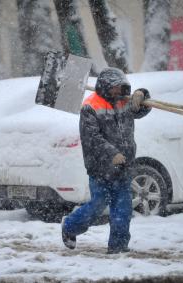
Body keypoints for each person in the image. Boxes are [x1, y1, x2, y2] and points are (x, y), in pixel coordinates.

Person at [61, 67, 152, 254]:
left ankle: (118, 249)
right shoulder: (90, 106)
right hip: (100, 169)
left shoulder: (124, 102)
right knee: (97, 206)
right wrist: (113, 154)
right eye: (115, 88)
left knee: (123, 211)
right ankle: (69, 227)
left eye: (122, 88)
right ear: (105, 86)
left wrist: (142, 94)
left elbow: (142, 109)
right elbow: (91, 138)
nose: (119, 92)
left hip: (124, 168)